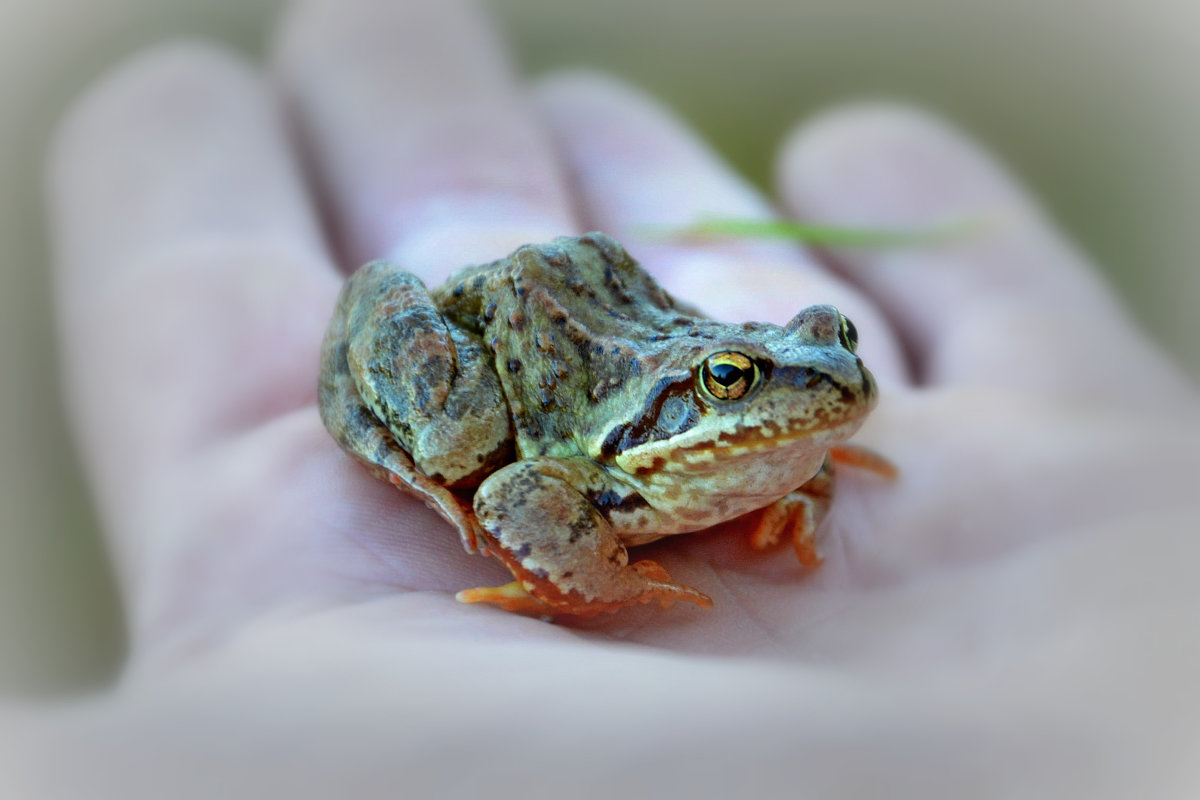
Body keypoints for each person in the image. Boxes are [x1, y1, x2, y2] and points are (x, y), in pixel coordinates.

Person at [19, 1, 1199, 796]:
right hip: (524, 348)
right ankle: (417, 445)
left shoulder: (786, 417)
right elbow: (532, 481)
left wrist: (801, 465)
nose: (824, 385)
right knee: (471, 439)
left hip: (613, 320)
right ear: (705, 389)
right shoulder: (613, 466)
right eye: (739, 383)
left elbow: (806, 413)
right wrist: (597, 576)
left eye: (828, 351)